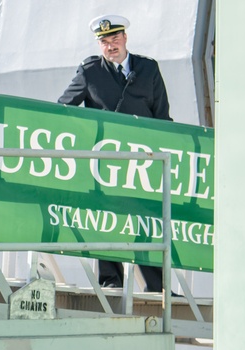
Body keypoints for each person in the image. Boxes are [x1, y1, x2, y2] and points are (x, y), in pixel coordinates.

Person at [58, 14, 172, 292]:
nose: (111, 46)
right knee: (107, 221)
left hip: (142, 161)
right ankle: (111, 282)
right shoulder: (89, 72)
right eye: (104, 42)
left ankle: (156, 286)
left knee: (146, 221)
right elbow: (62, 109)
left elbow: (162, 116)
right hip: (105, 162)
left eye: (115, 39)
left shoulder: (148, 69)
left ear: (125, 39)